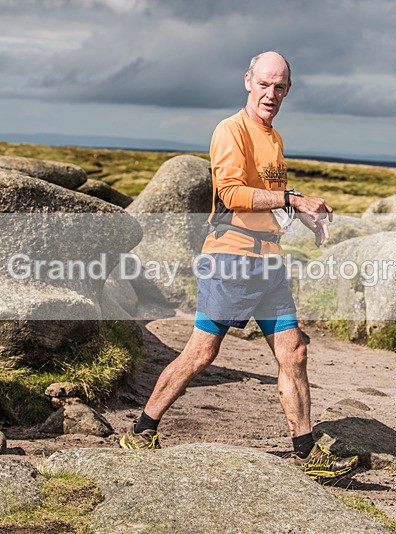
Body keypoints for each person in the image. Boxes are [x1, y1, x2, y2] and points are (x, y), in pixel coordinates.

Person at [119, 51, 359, 480]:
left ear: (288, 89)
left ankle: (306, 454)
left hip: (268, 261)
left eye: (280, 86)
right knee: (201, 353)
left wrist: (300, 212)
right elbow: (231, 193)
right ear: (248, 81)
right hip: (230, 257)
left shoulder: (274, 137)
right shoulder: (230, 130)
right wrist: (294, 199)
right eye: (264, 84)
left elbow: (266, 195)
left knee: (295, 352)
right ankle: (141, 429)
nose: (271, 93)